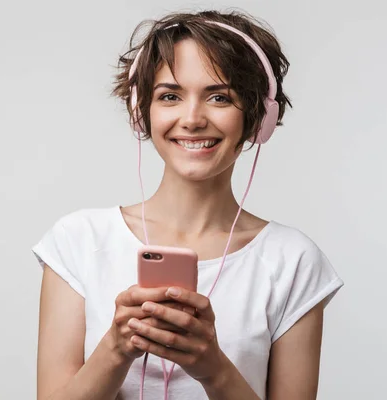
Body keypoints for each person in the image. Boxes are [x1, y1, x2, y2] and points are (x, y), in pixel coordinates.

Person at [32, 9, 343, 400]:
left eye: (219, 96)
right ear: (140, 110)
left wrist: (211, 367)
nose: (192, 118)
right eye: (170, 96)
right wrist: (116, 347)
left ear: (258, 118)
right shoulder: (77, 241)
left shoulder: (292, 260)